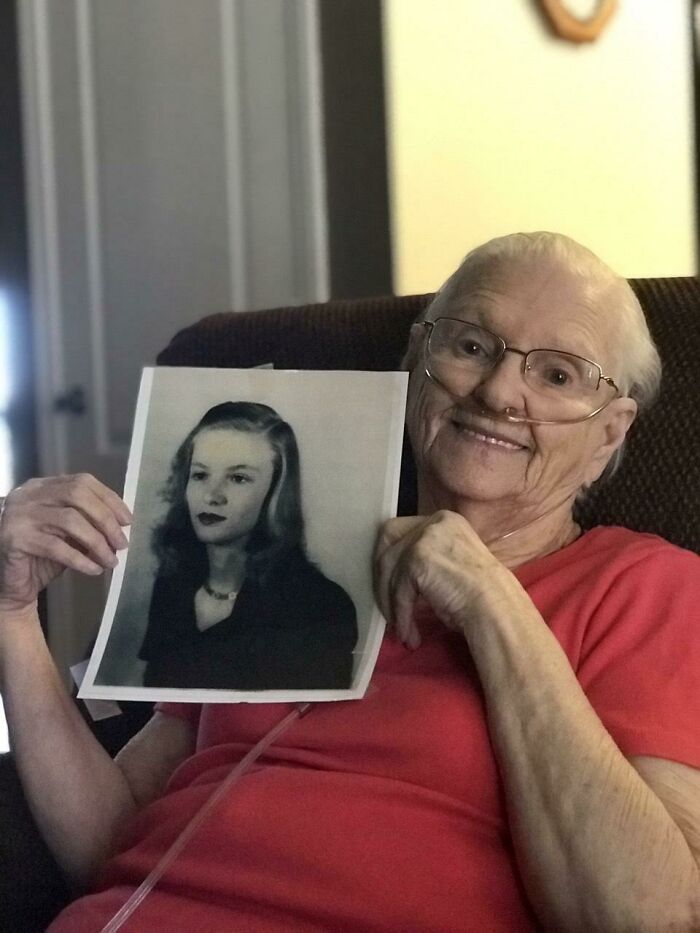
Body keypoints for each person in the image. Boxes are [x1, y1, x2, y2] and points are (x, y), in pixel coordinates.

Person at [1, 232, 699, 932]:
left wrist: (492, 605)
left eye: (557, 375)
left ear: (609, 434)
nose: (498, 392)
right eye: (470, 346)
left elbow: (652, 914)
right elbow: (114, 848)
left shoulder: (644, 587)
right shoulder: (283, 562)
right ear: (416, 362)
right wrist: (13, 612)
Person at [125, 401, 358, 690]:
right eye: (200, 475)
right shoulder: (173, 585)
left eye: (238, 478)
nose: (212, 495)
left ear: (275, 493)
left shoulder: (321, 606)